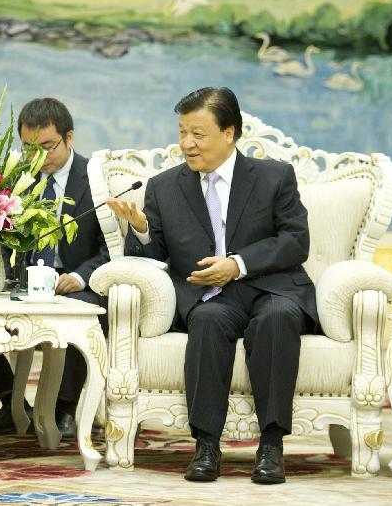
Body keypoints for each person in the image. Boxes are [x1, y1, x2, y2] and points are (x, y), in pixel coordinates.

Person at [107, 87, 318, 484]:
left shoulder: (274, 177)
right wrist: (141, 228)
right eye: (183, 132)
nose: (186, 144)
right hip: (211, 297)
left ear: (229, 133)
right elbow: (149, 258)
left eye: (198, 134)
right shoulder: (164, 187)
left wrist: (237, 264)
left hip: (271, 288)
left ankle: (271, 446)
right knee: (206, 322)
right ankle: (206, 446)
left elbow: (295, 241)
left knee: (277, 320)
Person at [0, 98, 109, 437]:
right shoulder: (14, 180)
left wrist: (80, 276)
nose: (37, 157)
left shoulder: (96, 181)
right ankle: (10, 401)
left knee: (81, 312)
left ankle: (64, 408)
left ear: (69, 139)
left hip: (75, 285)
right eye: (28, 148)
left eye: (47, 146)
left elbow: (110, 249)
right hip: (21, 285)